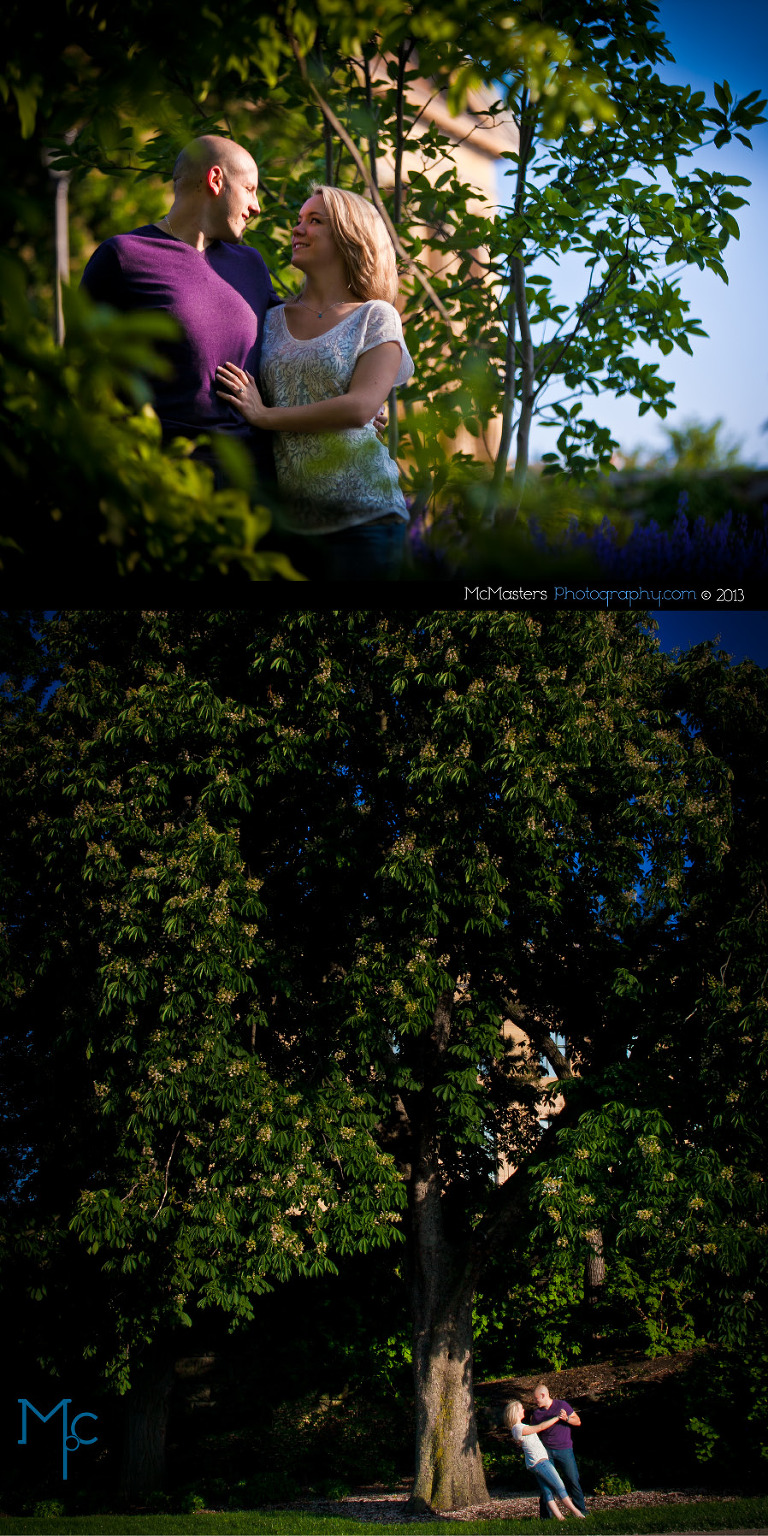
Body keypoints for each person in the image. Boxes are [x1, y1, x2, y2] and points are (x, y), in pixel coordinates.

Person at [215, 184, 414, 580]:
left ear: (348, 238)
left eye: (315, 221)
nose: (298, 229)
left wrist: (264, 416)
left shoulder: (376, 316)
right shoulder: (269, 319)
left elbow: (360, 408)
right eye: (299, 220)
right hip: (292, 528)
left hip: (366, 519)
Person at [80, 135, 282, 492]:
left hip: (256, 483)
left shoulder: (251, 264)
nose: (256, 206)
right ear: (216, 181)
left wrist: (357, 392)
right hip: (165, 482)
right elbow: (83, 375)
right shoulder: (124, 257)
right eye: (250, 189)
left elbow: (298, 343)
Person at [503, 1400, 587, 1521]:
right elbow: (540, 1427)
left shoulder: (519, 1428)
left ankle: (560, 1518)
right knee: (559, 1486)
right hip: (539, 1462)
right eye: (521, 1409)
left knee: (547, 1491)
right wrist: (557, 1417)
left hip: (535, 1463)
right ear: (515, 1412)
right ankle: (577, 1513)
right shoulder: (518, 1428)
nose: (523, 1410)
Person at [530, 1382, 587, 1520]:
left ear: (543, 1395)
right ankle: (546, 1516)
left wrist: (566, 1418)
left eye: (536, 1398)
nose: (535, 1401)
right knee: (547, 1484)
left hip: (564, 1449)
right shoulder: (536, 1414)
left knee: (573, 1479)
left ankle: (582, 1511)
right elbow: (532, 1432)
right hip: (546, 1452)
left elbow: (577, 1421)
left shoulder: (562, 1405)